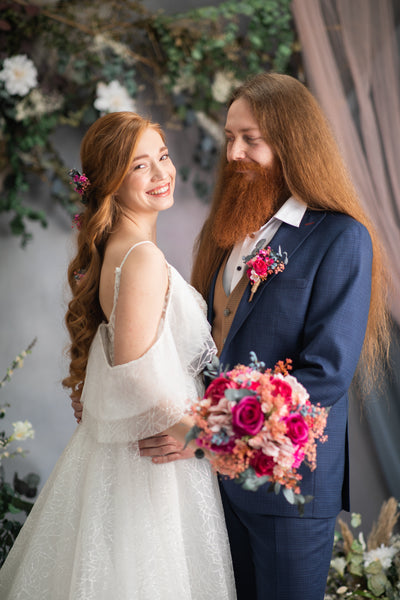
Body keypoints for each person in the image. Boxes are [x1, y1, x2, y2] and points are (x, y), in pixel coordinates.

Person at [138, 73, 390, 600]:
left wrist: (207, 431)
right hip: (212, 484)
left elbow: (326, 373)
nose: (234, 153)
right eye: (230, 137)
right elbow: (205, 347)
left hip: (290, 489)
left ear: (292, 141)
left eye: (250, 139)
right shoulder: (225, 235)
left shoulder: (342, 237)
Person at [0, 112, 236, 599]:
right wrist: (203, 437)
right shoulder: (142, 258)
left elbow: (116, 366)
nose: (160, 173)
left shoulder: (119, 250)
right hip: (153, 463)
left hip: (130, 452)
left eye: (163, 157)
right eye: (139, 166)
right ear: (110, 181)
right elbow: (132, 374)